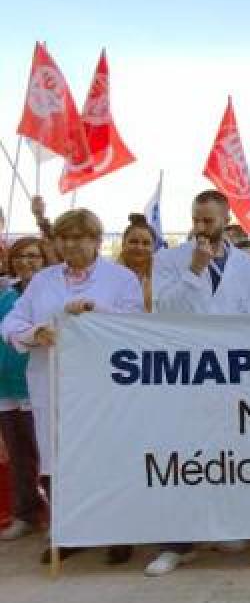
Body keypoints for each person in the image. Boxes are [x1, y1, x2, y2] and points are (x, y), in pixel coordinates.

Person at [1, 209, 144, 565]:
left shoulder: (122, 278)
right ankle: (70, 532)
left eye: (78, 237)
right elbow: (12, 321)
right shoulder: (43, 280)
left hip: (102, 386)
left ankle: (117, 532)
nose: (70, 244)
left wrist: (97, 312)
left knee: (106, 456)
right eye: (64, 237)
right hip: (52, 381)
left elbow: (135, 325)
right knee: (58, 460)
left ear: (96, 241)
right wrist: (36, 332)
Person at [146, 190, 250, 576]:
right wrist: (196, 270)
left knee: (227, 452)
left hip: (234, 372)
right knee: (183, 456)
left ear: (226, 218)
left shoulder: (247, 266)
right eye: (196, 219)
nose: (201, 227)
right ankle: (177, 544)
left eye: (208, 220)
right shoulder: (168, 260)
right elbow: (165, 310)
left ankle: (221, 526)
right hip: (186, 372)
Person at [0, 237, 52, 541]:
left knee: (44, 454)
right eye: (20, 256)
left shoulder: (49, 293)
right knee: (19, 456)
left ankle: (54, 515)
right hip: (7, 389)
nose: (26, 262)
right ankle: (27, 514)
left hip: (38, 387)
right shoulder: (6, 295)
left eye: (33, 256)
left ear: (45, 260)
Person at [117, 214, 157, 311]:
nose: (139, 247)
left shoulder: (163, 275)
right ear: (123, 244)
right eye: (133, 242)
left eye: (146, 243)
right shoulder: (108, 274)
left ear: (154, 247)